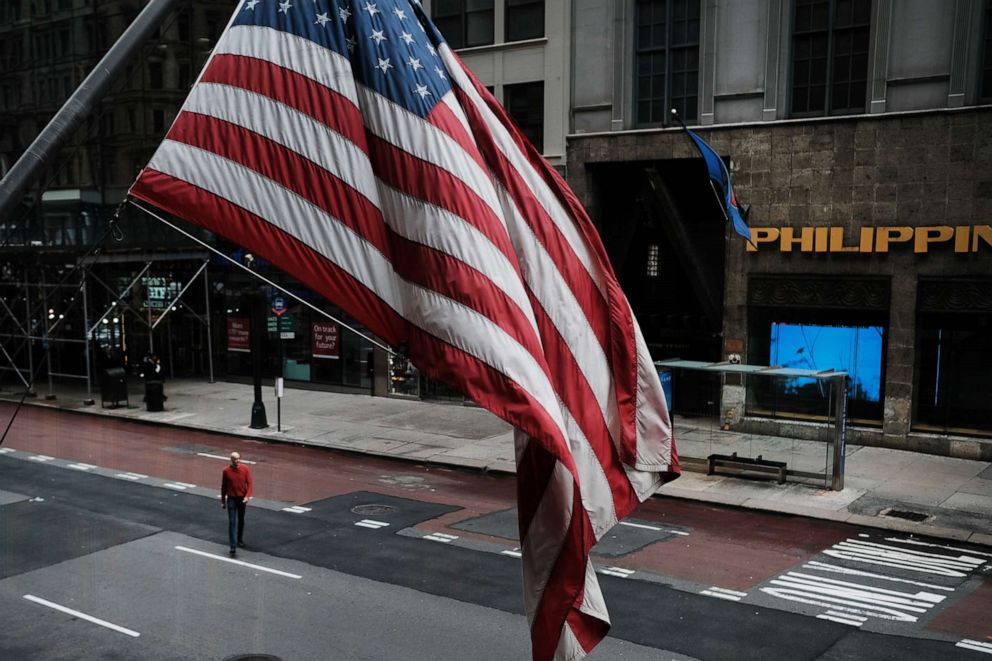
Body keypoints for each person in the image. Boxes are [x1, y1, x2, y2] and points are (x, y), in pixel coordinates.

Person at [220, 451, 253, 556]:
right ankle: (232, 546)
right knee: (232, 522)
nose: (237, 460)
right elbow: (224, 486)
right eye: (235, 459)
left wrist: (247, 496)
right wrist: (222, 501)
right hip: (231, 499)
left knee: (241, 520)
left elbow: (250, 483)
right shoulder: (226, 471)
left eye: (238, 458)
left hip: (242, 498)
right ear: (231, 459)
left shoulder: (245, 469)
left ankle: (239, 539)